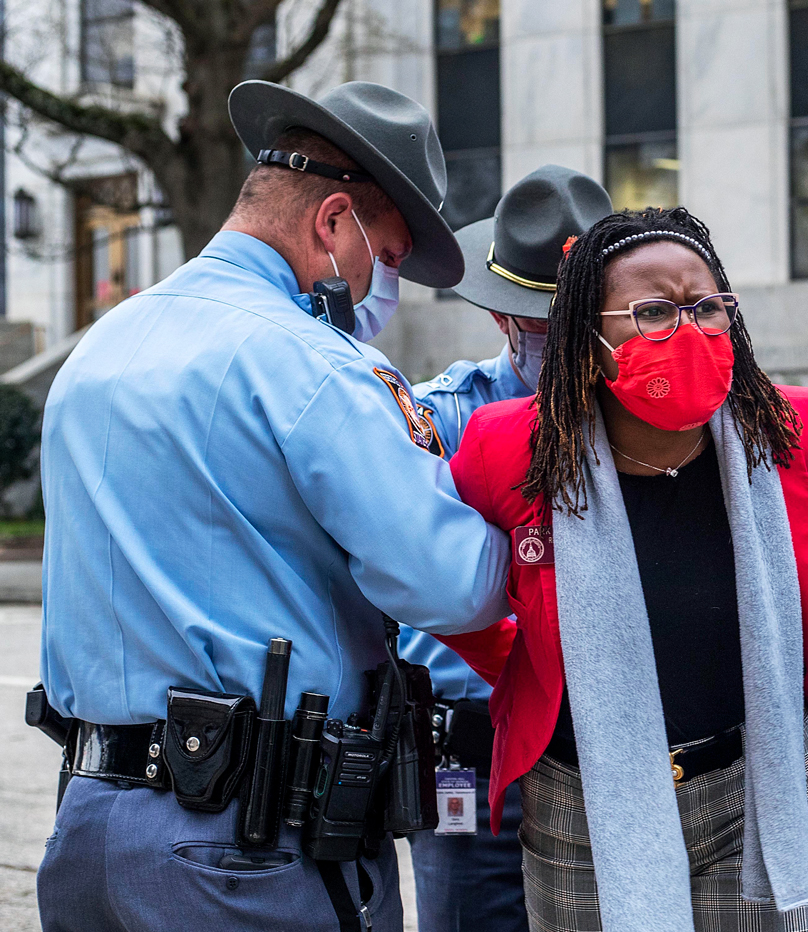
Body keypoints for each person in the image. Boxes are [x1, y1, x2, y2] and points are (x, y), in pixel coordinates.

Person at [33, 80, 511, 932]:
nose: (384, 285)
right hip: (244, 851)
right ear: (333, 224)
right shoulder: (315, 364)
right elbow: (452, 585)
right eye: (388, 258)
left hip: (91, 826)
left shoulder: (104, 345)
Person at [435, 207, 808, 932]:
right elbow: (447, 596)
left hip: (761, 786)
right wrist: (538, 668)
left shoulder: (790, 428)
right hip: (582, 801)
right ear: (588, 341)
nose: (687, 330)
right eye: (652, 312)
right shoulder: (508, 451)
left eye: (707, 307)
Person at [398, 164, 613, 932]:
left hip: (604, 749)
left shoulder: (643, 428)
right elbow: (409, 579)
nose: (567, 352)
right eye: (543, 330)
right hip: (473, 749)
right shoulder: (443, 420)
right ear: (503, 323)